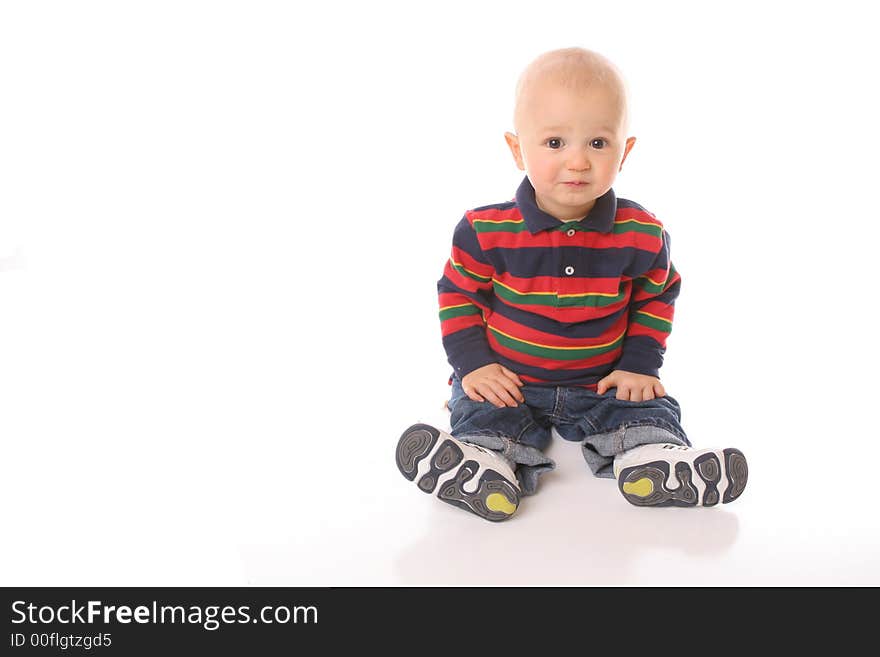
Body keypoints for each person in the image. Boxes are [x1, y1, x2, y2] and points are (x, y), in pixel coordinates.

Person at [395, 47, 748, 522]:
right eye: (555, 143)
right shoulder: (486, 229)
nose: (578, 162)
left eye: (598, 144)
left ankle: (655, 463)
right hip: (511, 382)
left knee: (646, 412)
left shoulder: (640, 232)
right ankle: (482, 467)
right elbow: (458, 294)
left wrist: (640, 366)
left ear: (625, 152)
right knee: (484, 414)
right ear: (518, 148)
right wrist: (474, 366)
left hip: (602, 382)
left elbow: (657, 294)